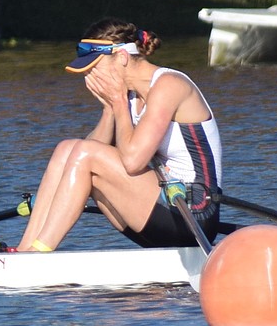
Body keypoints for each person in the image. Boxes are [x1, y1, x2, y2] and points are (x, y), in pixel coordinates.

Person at [17, 18, 223, 252]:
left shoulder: (169, 85)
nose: (90, 74)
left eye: (94, 65)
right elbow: (80, 158)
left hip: (193, 213)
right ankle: (24, 251)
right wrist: (110, 109)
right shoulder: (130, 96)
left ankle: (39, 252)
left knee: (85, 153)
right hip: (157, 208)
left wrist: (117, 103)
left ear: (123, 57)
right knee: (66, 149)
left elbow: (133, 162)